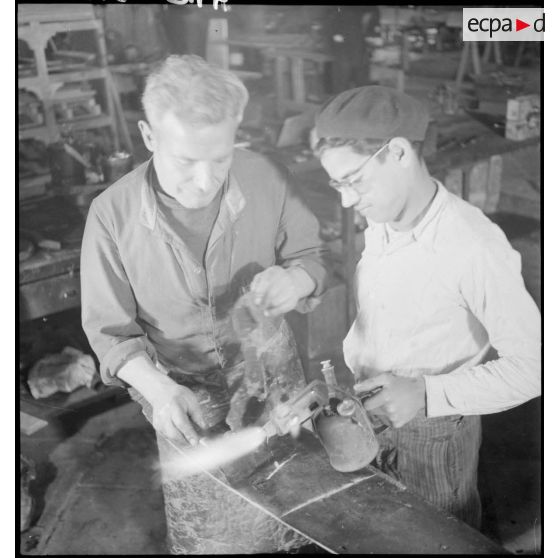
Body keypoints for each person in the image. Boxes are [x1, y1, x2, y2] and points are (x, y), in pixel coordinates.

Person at [80, 54, 327, 554]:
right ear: (149, 137)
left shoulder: (267, 176)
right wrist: (157, 389)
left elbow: (313, 257)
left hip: (274, 376)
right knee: (213, 530)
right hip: (181, 390)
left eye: (221, 157)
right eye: (186, 161)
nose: (205, 179)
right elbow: (110, 332)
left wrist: (297, 279)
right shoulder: (111, 214)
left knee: (298, 513)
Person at [311, 86, 541, 529]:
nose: (346, 200)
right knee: (386, 529)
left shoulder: (472, 246)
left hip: (435, 432)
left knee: (439, 533)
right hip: (371, 407)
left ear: (397, 152)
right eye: (337, 184)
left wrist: (424, 394)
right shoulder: (385, 219)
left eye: (354, 179)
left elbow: (537, 367)